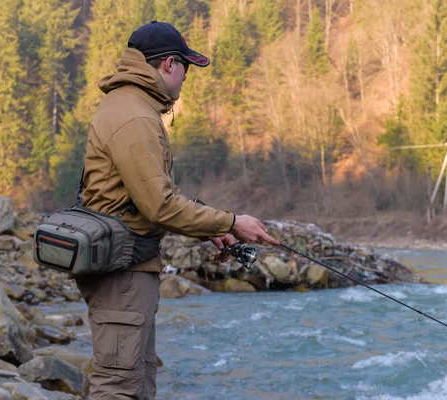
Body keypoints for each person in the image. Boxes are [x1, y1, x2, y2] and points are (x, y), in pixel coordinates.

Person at [74, 21, 279, 400]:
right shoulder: (135, 117)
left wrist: (210, 228)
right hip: (122, 275)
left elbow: (154, 193)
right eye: (186, 68)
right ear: (169, 64)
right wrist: (232, 221)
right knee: (119, 387)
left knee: (138, 381)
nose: (187, 79)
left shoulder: (133, 106)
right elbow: (159, 205)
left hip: (128, 270)